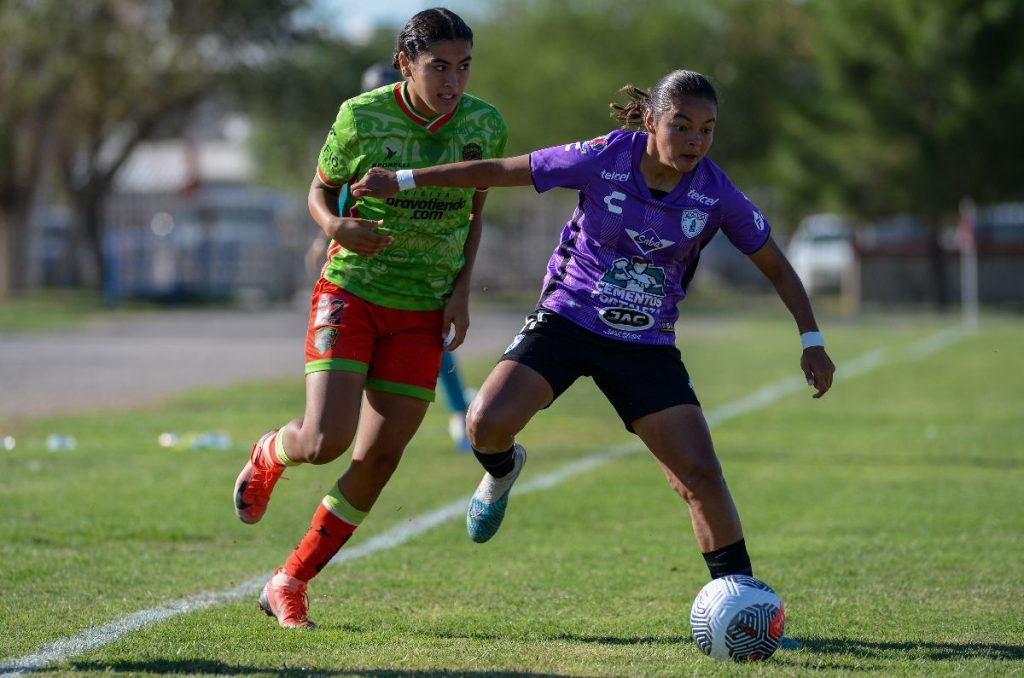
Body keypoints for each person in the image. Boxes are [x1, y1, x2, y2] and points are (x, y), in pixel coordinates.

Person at [352, 70, 835, 587]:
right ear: (651, 120)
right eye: (682, 125)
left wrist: (812, 340)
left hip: (645, 344)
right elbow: (501, 169)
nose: (696, 140)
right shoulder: (604, 157)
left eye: (708, 129)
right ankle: (502, 469)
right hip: (567, 318)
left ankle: (741, 600)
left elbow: (778, 266)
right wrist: (403, 179)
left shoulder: (716, 193)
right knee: (483, 424)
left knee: (699, 475)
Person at [232, 8, 508, 629]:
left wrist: (461, 293)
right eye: (438, 67)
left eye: (463, 67)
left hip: (423, 309)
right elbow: (317, 189)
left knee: (379, 459)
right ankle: (273, 451)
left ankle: (289, 581)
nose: (452, 82)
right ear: (405, 63)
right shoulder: (362, 116)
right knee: (325, 442)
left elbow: (475, 213)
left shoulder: (485, 125)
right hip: (351, 293)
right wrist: (334, 227)